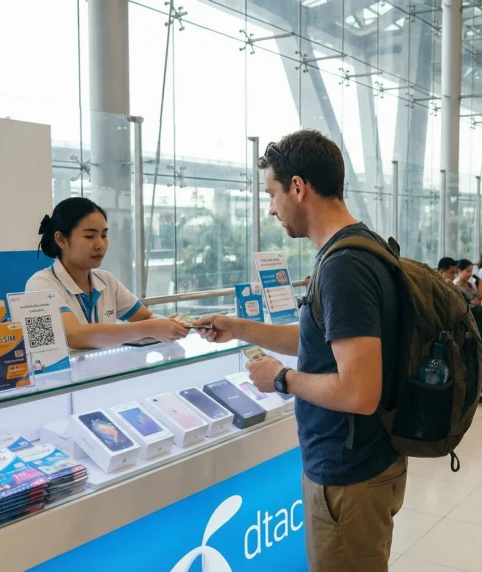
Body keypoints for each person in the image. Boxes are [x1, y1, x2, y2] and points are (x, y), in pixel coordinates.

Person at [195, 129, 405, 572]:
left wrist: (281, 379)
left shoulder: (343, 267)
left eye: (272, 194)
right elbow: (322, 343)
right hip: (365, 460)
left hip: (348, 474)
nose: (271, 208)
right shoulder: (358, 247)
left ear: (297, 187)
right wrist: (239, 328)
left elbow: (359, 392)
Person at [26, 197, 189, 349]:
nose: (100, 245)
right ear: (61, 239)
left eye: (104, 235)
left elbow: (145, 317)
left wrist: (168, 324)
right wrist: (150, 328)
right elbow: (74, 335)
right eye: (89, 236)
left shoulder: (106, 281)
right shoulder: (40, 285)